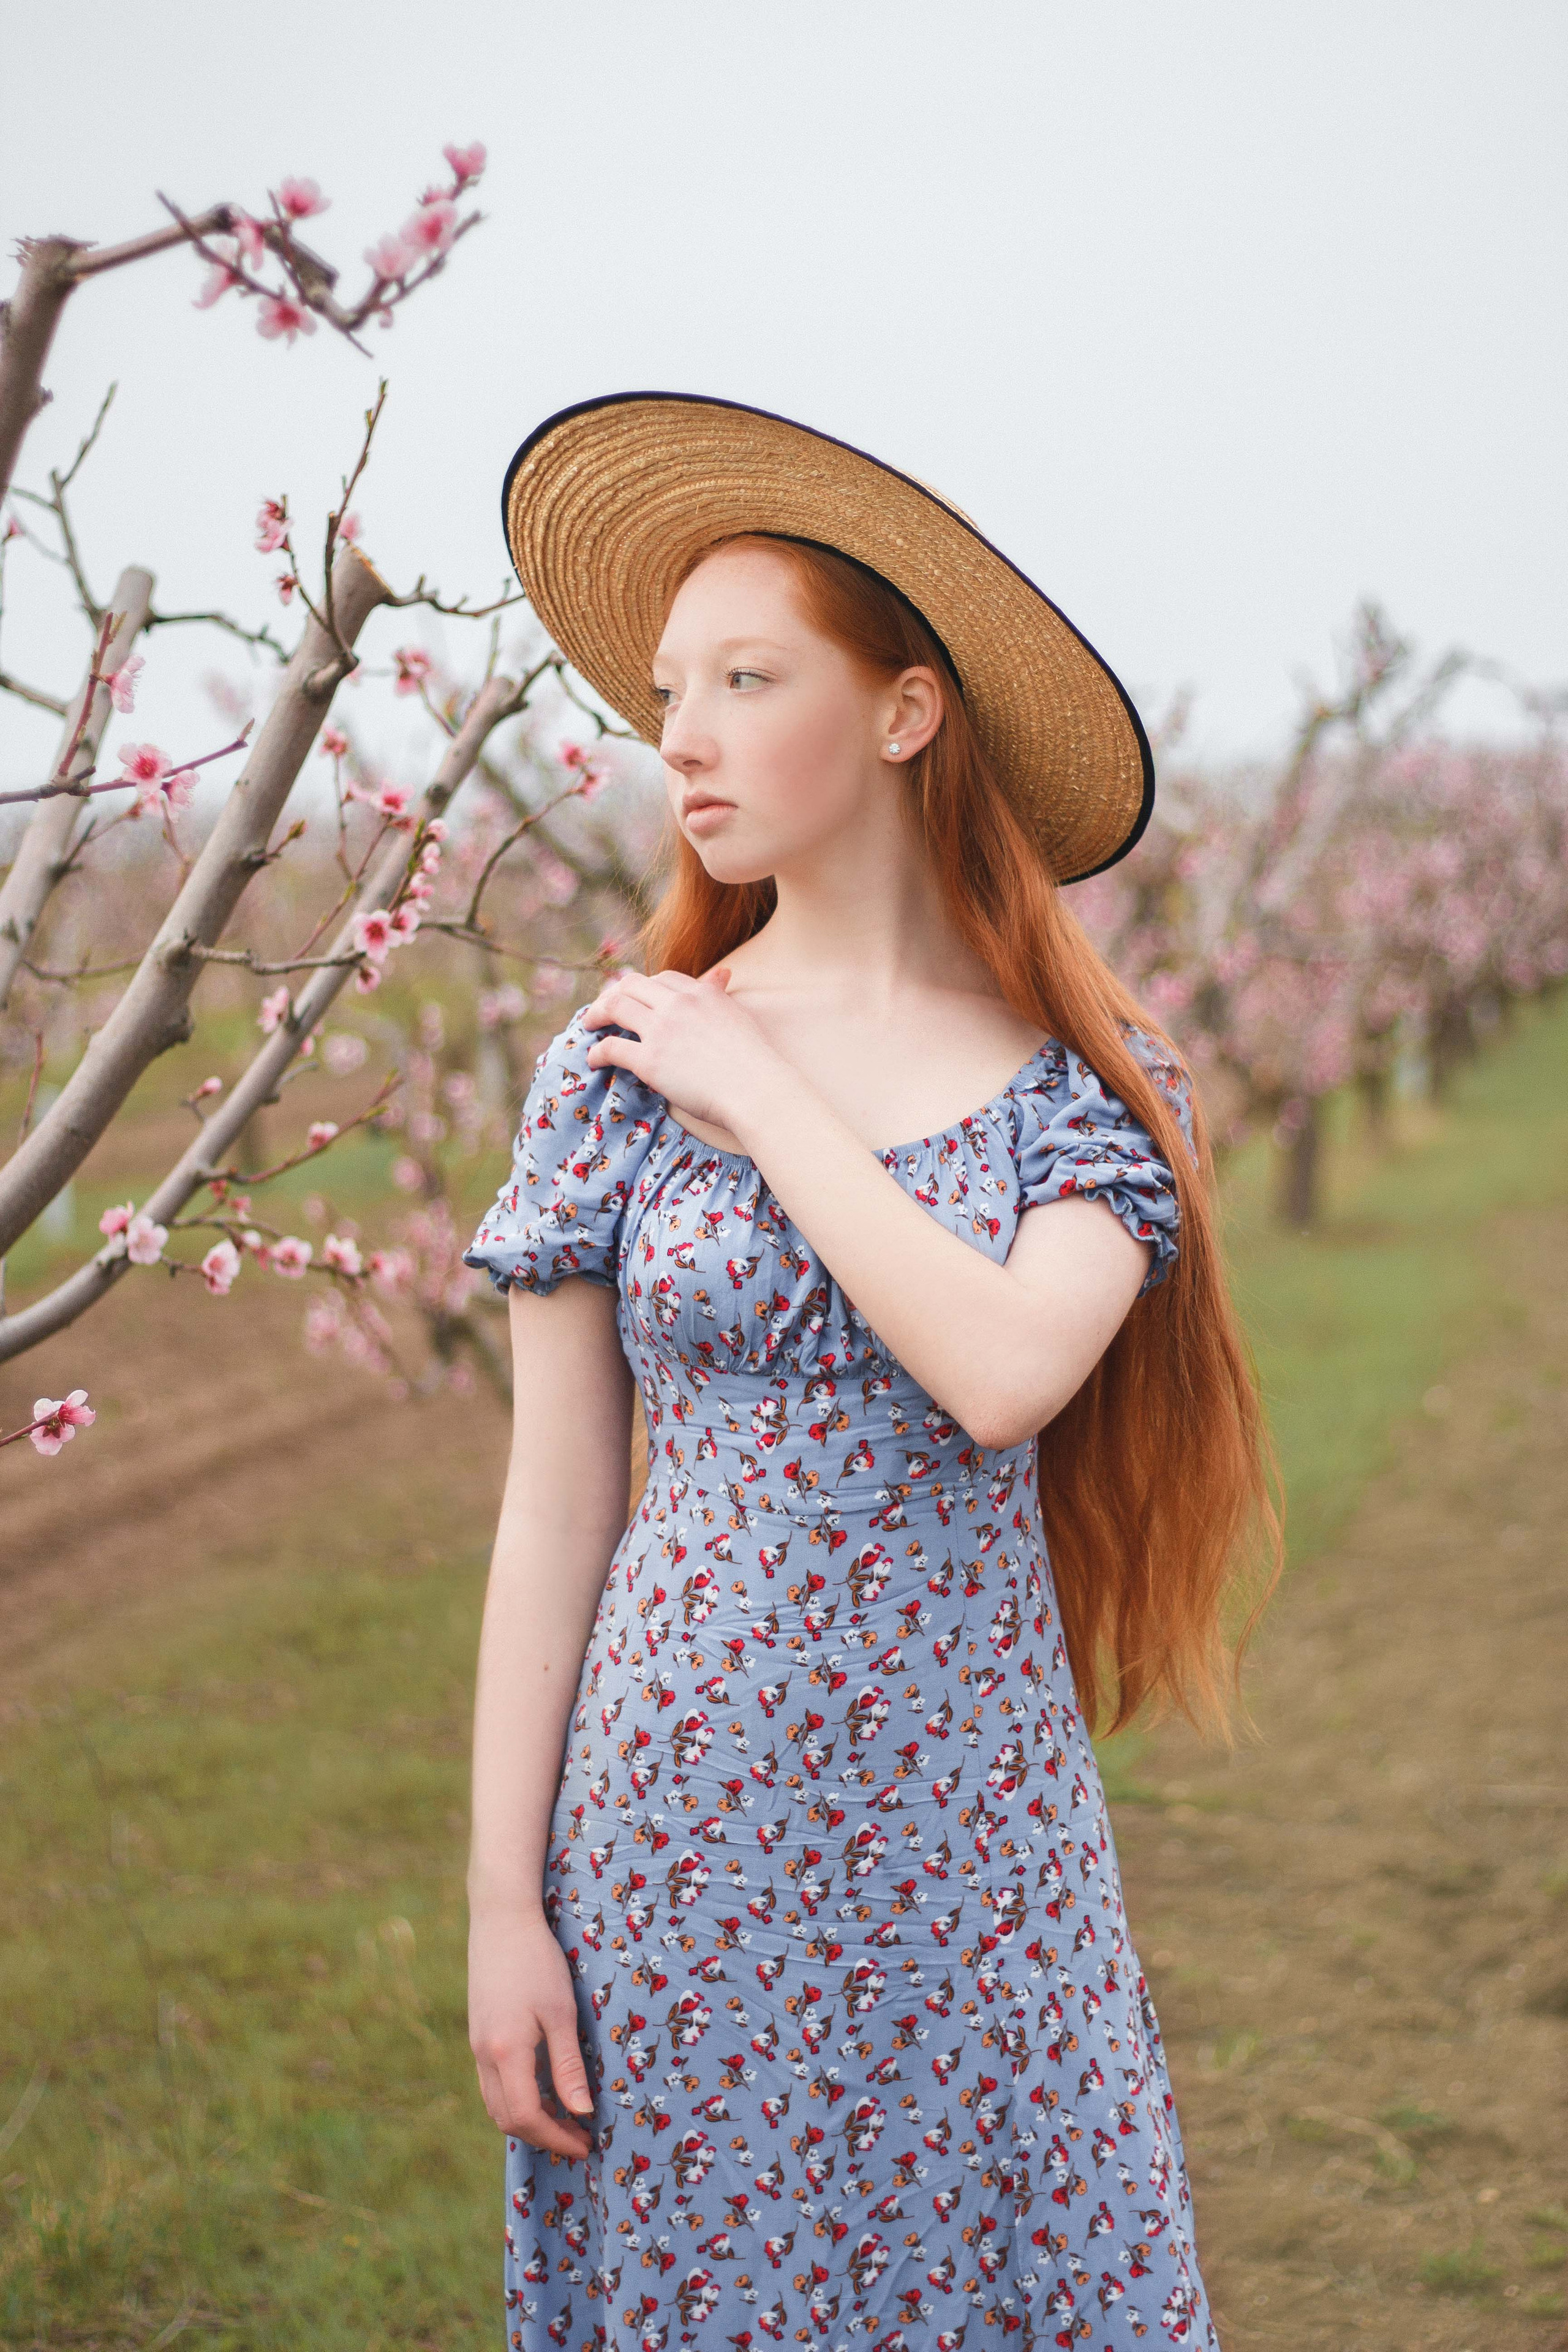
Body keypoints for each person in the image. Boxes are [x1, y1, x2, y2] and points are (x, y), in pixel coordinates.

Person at [462, 394, 1278, 2352]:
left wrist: (769, 1101)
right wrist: (503, 1905)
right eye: (673, 690)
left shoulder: (1091, 1088)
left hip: (969, 1846)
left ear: (907, 712)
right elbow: (557, 1505)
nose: (686, 737)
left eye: (751, 679)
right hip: (671, 1834)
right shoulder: (625, 1064)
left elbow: (1003, 1373)